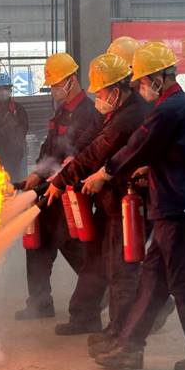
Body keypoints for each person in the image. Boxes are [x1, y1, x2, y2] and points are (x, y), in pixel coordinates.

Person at [82, 42, 185, 370]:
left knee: (183, 281)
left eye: (142, 82)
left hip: (177, 208)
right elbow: (180, 152)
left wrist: (105, 173)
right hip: (178, 204)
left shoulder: (168, 109)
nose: (139, 88)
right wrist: (154, 168)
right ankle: (130, 347)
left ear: (158, 79)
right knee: (152, 280)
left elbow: (137, 145)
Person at [45, 52, 150, 336]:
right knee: (95, 258)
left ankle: (122, 333)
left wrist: (63, 178)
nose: (98, 97)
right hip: (109, 200)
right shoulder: (114, 111)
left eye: (101, 91)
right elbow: (87, 141)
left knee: (120, 269)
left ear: (116, 91)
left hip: (125, 201)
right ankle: (84, 316)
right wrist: (68, 165)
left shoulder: (129, 116)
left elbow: (97, 151)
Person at [15, 53, 101, 321]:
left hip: (71, 191)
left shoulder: (89, 112)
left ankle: (107, 294)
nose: (53, 89)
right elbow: (49, 148)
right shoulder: (62, 111)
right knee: (38, 243)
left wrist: (59, 180)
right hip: (50, 188)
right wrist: (37, 175)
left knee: (74, 245)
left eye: (56, 83)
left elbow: (83, 153)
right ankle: (40, 302)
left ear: (72, 80)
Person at [0, 73, 29, 180]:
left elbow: (24, 129)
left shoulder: (19, 109)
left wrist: (12, 137)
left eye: (6, 88)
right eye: (0, 89)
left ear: (10, 90)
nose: (3, 92)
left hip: (14, 154)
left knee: (16, 183)